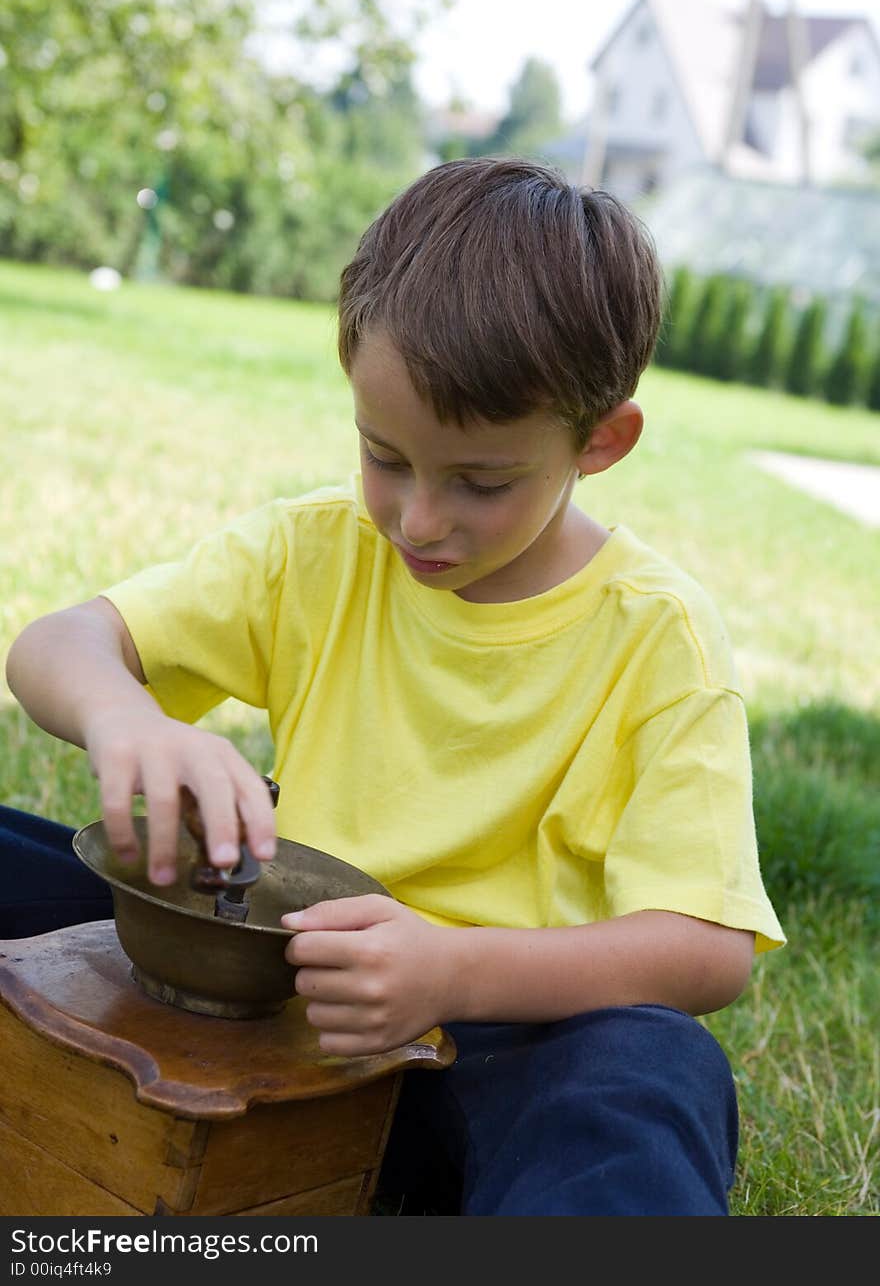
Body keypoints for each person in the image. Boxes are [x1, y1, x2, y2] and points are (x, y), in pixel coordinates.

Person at [5, 156, 785, 1216]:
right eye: (386, 457)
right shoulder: (318, 549)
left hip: (482, 1048)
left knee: (645, 1069)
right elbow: (57, 643)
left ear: (600, 441)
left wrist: (452, 973)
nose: (418, 519)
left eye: (480, 481)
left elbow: (704, 949)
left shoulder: (658, 635)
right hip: (263, 981)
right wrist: (122, 716)